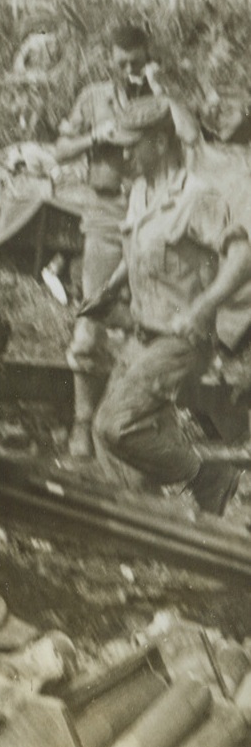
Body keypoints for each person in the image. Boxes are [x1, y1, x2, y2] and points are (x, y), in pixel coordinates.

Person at [83, 95, 251, 515]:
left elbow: (243, 258)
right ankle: (154, 531)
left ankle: (207, 478)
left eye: (130, 146)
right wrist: (111, 288)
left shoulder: (198, 198)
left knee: (114, 425)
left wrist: (204, 307)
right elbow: (139, 248)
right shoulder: (141, 191)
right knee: (116, 447)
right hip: (144, 333)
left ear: (159, 144)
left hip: (183, 340)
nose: (123, 156)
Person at [54, 23, 156, 459]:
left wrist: (160, 97)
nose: (130, 69)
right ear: (109, 59)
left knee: (152, 322)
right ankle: (82, 424)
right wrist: (94, 136)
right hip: (105, 214)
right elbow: (60, 149)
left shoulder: (162, 96)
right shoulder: (93, 98)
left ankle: (133, 430)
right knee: (89, 324)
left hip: (153, 217)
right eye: (122, 62)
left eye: (137, 61)